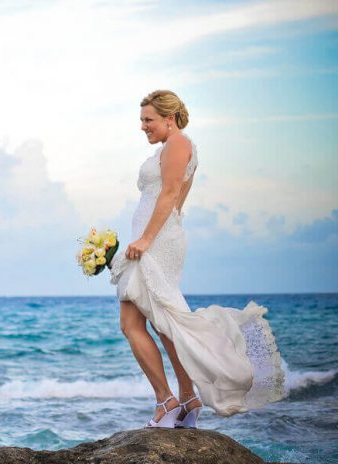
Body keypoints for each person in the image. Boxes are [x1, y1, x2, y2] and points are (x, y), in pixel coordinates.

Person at [109, 90, 285, 428]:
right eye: (142, 120)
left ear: (169, 119)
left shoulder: (178, 143)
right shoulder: (171, 147)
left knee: (135, 324)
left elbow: (172, 194)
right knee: (163, 323)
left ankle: (168, 401)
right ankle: (185, 398)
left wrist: (146, 238)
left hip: (155, 241)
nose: (143, 127)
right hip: (154, 239)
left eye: (149, 120)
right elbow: (171, 200)